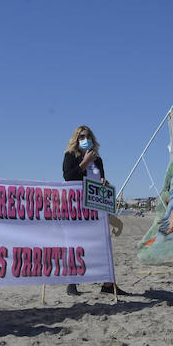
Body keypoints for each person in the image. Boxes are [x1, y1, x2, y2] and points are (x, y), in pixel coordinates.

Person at [61, 125, 119, 294]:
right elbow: (68, 177)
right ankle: (72, 283)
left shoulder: (98, 160)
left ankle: (108, 285)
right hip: (76, 208)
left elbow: (100, 178)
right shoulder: (70, 156)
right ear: (75, 139)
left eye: (87, 136)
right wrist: (84, 163)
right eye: (81, 137)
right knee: (76, 245)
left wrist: (103, 182)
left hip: (95, 207)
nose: (85, 140)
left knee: (102, 244)